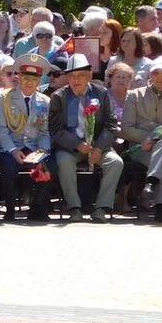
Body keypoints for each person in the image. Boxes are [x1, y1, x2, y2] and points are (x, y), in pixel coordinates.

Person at [49, 53, 122, 222]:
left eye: (81, 75)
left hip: (97, 145)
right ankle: (75, 208)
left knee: (116, 162)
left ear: (89, 75)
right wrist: (77, 144)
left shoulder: (101, 93)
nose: (76, 80)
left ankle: (101, 208)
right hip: (71, 147)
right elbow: (56, 129)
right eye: (72, 76)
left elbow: (111, 124)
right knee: (63, 162)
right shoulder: (59, 97)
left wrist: (99, 148)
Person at [0, 54, 54, 220]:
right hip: (9, 146)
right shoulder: (3, 97)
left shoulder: (45, 101)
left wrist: (42, 152)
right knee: (8, 164)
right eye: (25, 78)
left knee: (49, 163)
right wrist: (13, 150)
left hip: (33, 147)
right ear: (19, 77)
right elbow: (0, 128)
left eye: (33, 80)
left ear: (39, 81)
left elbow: (44, 131)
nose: (28, 83)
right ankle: (10, 207)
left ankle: (38, 207)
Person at [120, 58, 162, 220]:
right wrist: (147, 138)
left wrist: (154, 139)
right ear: (150, 74)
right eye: (156, 73)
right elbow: (126, 128)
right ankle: (161, 207)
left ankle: (151, 183)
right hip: (141, 147)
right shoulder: (134, 96)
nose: (160, 77)